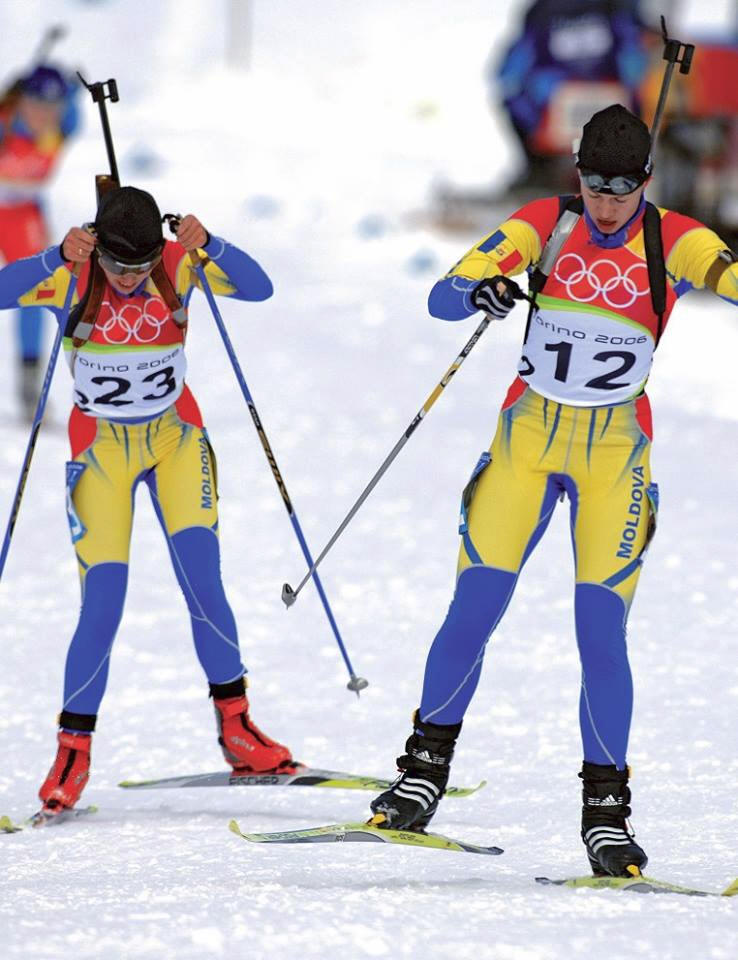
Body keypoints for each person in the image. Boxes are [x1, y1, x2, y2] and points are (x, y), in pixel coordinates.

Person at [370, 104, 738, 876]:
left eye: (622, 188)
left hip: (614, 458)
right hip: (527, 444)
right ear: (578, 175)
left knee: (600, 634)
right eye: (594, 185)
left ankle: (606, 817)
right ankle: (421, 776)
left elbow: (726, 275)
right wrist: (480, 291)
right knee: (473, 610)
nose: (606, 203)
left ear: (647, 179)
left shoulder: (673, 239)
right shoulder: (550, 222)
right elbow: (445, 293)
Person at [0, 185, 295, 819]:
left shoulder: (178, 264)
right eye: (117, 265)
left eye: (141, 265)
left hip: (175, 441)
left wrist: (209, 244)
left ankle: (238, 729)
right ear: (96, 246)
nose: (130, 278)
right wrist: (54, 257)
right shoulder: (72, 273)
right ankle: (73, 752)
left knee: (204, 584)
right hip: (101, 453)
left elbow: (261, 288)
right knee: (103, 603)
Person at [0, 63, 80, 419]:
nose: (44, 117)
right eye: (36, 107)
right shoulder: (5, 125)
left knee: (37, 288)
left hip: (24, 213)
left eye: (53, 109)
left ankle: (29, 387)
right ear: (21, 102)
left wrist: (73, 84)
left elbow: (75, 97)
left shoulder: (65, 124)